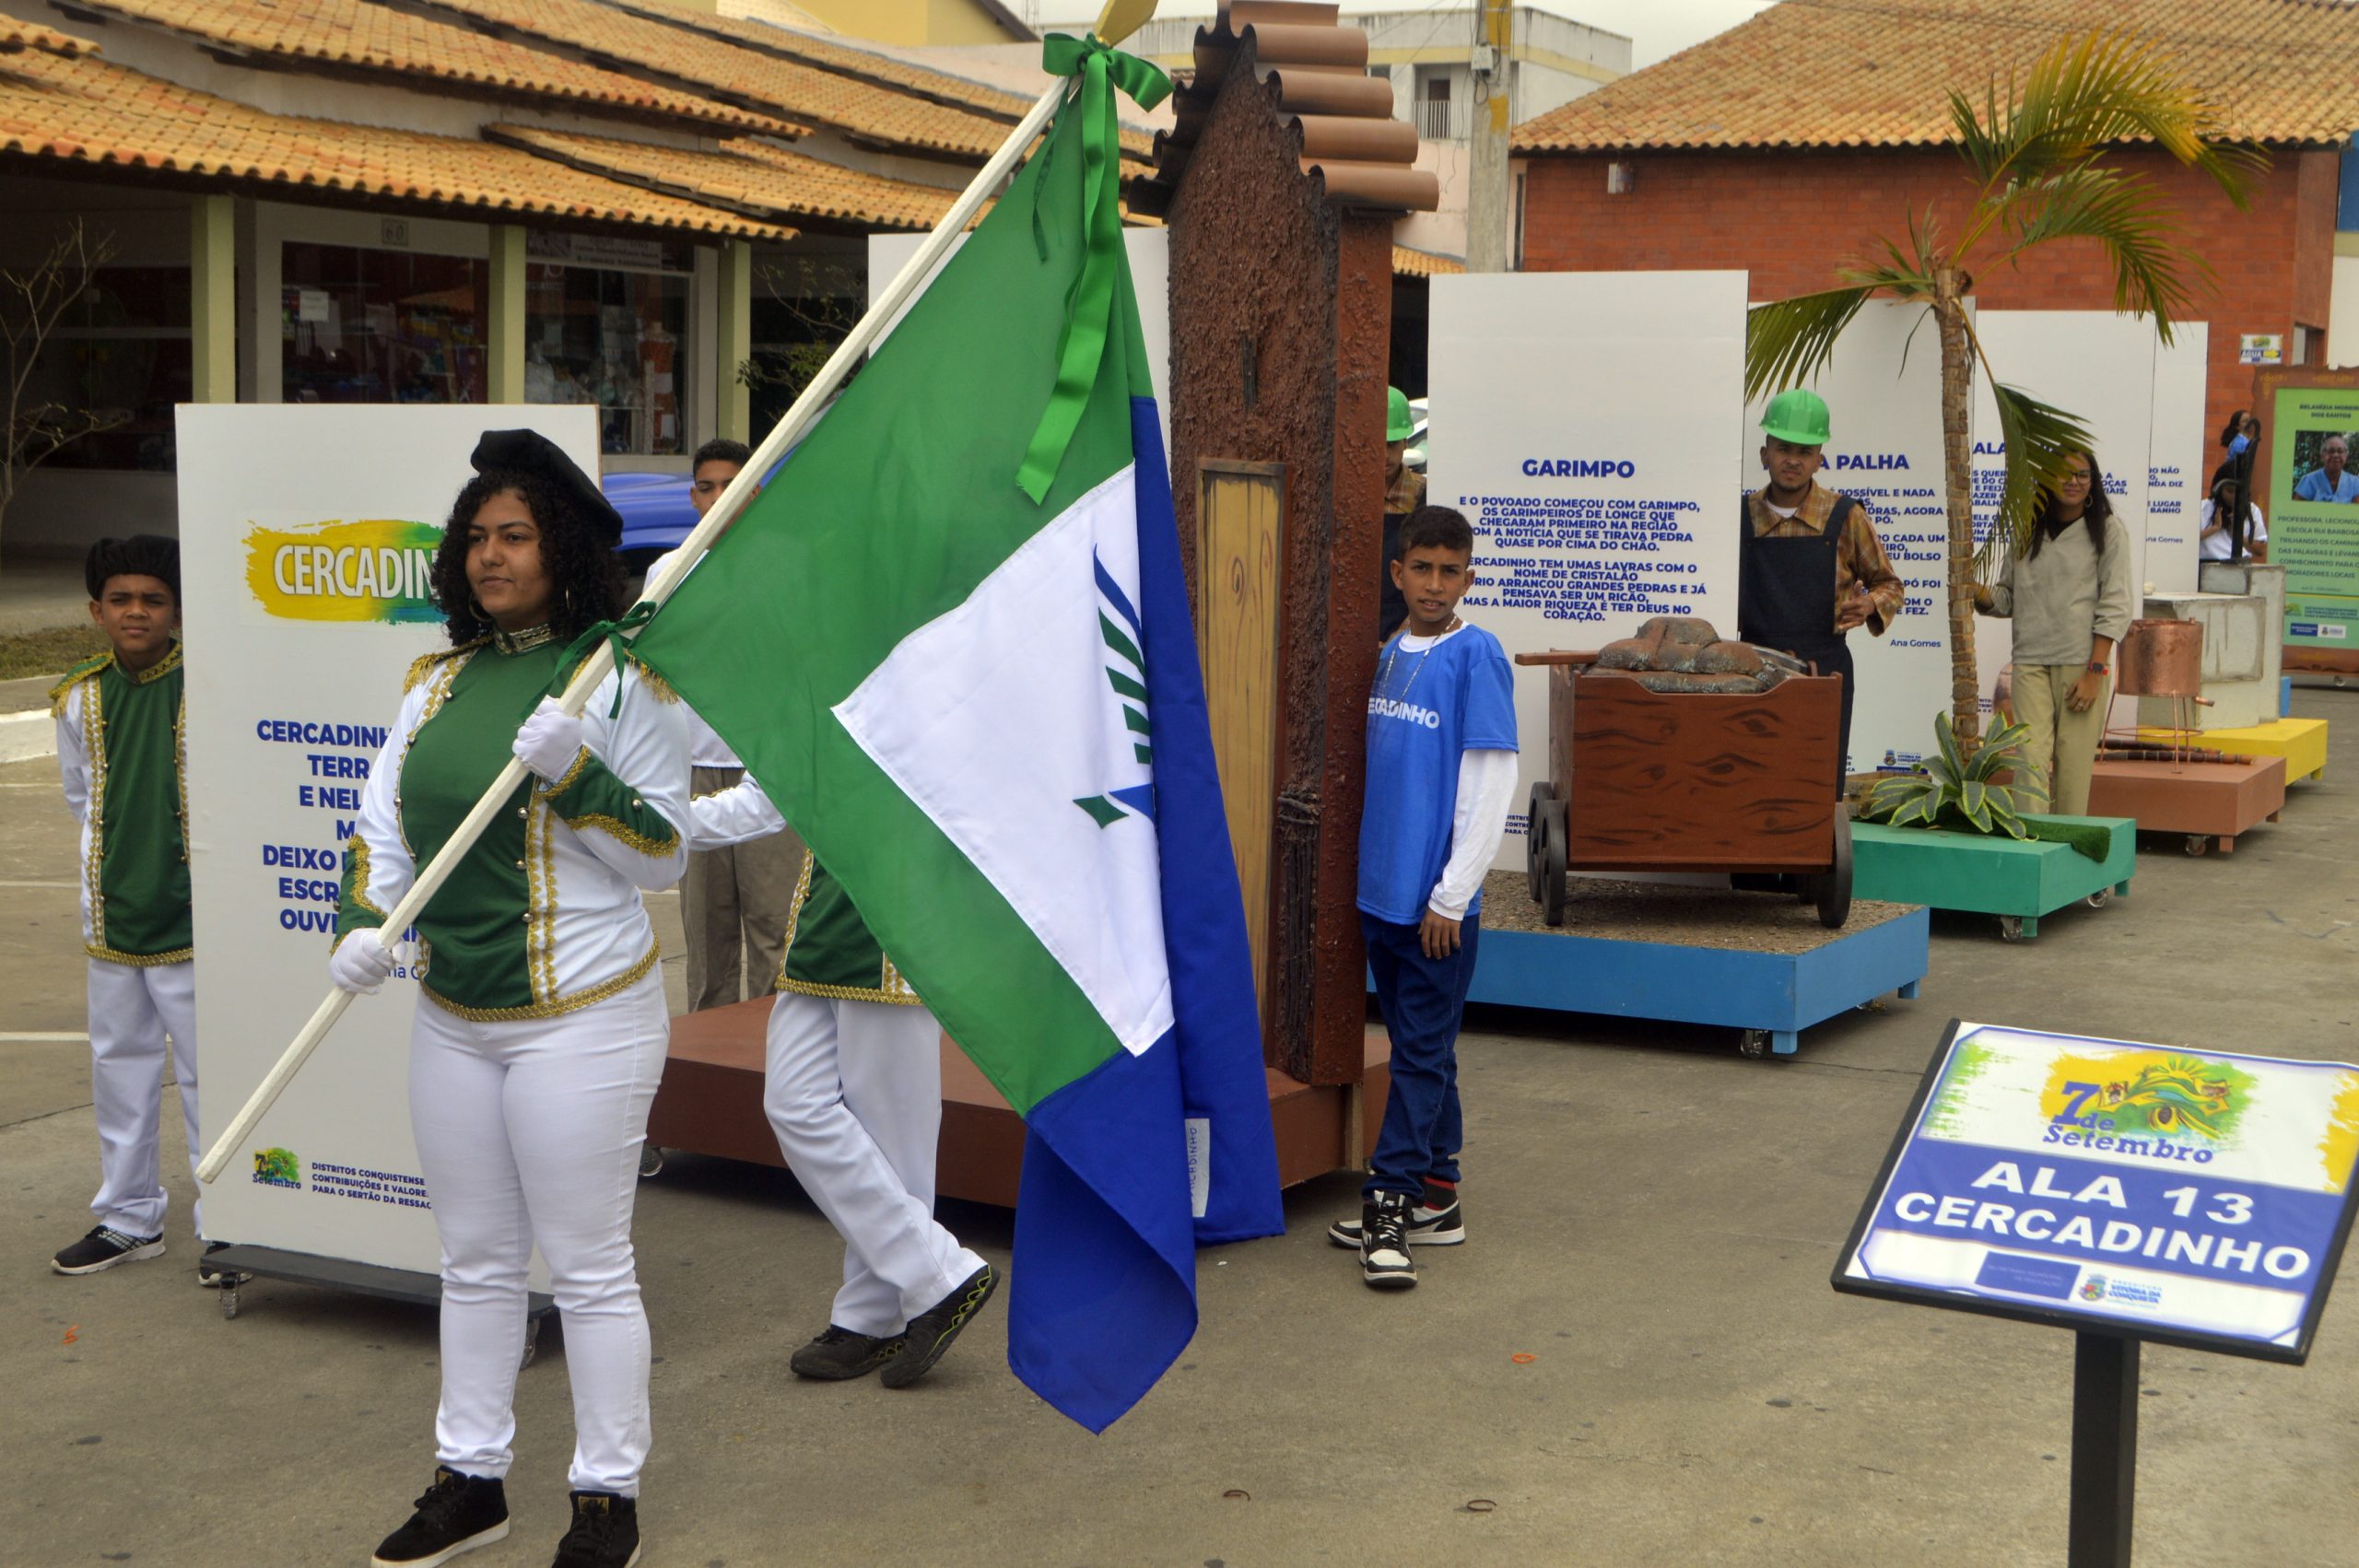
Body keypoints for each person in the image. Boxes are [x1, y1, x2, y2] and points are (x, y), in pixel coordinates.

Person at [332, 429, 688, 1568]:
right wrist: (365, 923)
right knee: (476, 1260)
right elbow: (382, 828)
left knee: (588, 1267)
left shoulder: (618, 677)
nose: (491, 555)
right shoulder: (433, 683)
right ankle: (470, 1479)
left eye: (517, 536)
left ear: (562, 548)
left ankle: (606, 1495)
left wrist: (576, 772)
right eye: (477, 537)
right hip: (454, 1016)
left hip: (584, 1016)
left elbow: (664, 854)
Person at [686, 779, 997, 1385]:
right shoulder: (818, 716)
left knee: (895, 1141)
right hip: (826, 915)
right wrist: (654, 818)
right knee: (794, 1104)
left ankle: (874, 1316)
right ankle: (938, 1276)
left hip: (898, 913)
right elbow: (768, 793)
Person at [1328, 505, 1517, 1290]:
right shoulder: (1385, 653)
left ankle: (1390, 1201)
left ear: (1468, 578)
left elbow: (1491, 781)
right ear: (1398, 573)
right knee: (1425, 1051)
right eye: (1422, 569)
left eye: (1450, 571)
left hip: (1435, 909)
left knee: (1418, 1057)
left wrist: (1452, 896)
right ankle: (1439, 1196)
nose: (1435, 584)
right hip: (1382, 896)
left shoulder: (1477, 655)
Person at [49, 536, 211, 1281]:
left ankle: (227, 1224)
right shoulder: (78, 696)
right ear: (96, 611)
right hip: (114, 915)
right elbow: (81, 798)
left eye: (153, 599)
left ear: (177, 609)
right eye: (121, 600)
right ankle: (128, 1217)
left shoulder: (206, 685)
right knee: (119, 1069)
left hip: (195, 919)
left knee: (211, 1077)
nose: (136, 612)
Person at [665, 438, 804, 1010]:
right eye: (707, 487)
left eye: (731, 485)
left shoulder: (791, 564)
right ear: (693, 496)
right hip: (693, 770)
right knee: (706, 940)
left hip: (769, 769)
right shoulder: (667, 572)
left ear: (755, 492)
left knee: (775, 932)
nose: (718, 497)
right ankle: (707, 1053)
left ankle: (776, 1052)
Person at [1741, 389, 1906, 785]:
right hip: (1750, 669)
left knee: (1817, 781)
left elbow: (1890, 585)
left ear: (1819, 459)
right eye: (1783, 448)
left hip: (1824, 670)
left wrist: (1869, 605)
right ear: (1764, 454)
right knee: (1751, 779)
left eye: (1805, 451)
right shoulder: (1741, 517)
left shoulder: (1846, 516)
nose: (1792, 460)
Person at [1975, 447, 2132, 817]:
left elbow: (2116, 604)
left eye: (2082, 475)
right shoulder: (2027, 528)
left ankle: (2068, 849)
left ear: (2093, 482)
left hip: (2082, 666)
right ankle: (2031, 843)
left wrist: (2095, 673)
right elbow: (2008, 598)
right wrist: (1975, 592)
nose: (2073, 482)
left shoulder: (2108, 530)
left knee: (2073, 768)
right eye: (2065, 473)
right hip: (2030, 663)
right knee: (2029, 761)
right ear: (2046, 478)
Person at [1378, 385, 1426, 641]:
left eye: (1391, 444)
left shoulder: (1421, 494)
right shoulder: (1344, 494)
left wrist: (1406, 631)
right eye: (1377, 444)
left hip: (1402, 627)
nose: (1384, 454)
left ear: (1405, 442)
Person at [2199, 477, 2267, 562]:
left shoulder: (2251, 509)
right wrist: (2215, 528)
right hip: (2207, 563)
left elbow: (2260, 550)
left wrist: (2237, 535)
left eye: (2238, 492)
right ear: (2220, 490)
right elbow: (2187, 540)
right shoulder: (2203, 507)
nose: (2234, 496)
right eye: (2230, 491)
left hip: (2240, 563)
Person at [2293, 433, 2359, 503]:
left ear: (2346, 456)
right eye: (2331, 451)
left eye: (2340, 451)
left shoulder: (2355, 483)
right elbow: (2296, 508)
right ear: (2322, 456)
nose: (2335, 455)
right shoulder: (2309, 481)